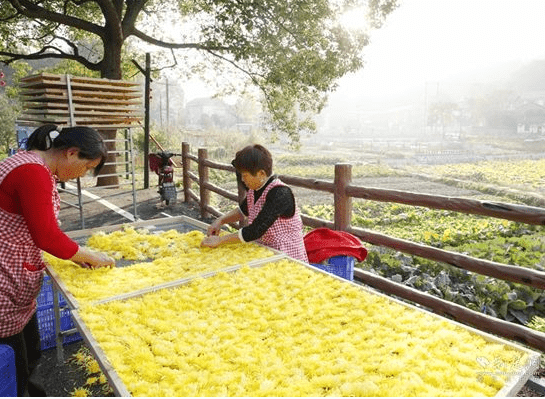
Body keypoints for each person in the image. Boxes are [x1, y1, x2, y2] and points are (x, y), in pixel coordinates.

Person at [0, 124, 115, 396]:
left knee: (27, 355)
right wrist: (89, 255)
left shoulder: (32, 164)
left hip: (15, 272)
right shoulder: (32, 172)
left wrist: (76, 257)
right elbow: (47, 236)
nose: (82, 175)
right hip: (4, 278)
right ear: (72, 153)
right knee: (11, 364)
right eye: (87, 168)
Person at [201, 144, 309, 263]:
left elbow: (255, 230)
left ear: (261, 173)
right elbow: (242, 211)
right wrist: (220, 221)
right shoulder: (255, 189)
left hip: (286, 256)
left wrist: (220, 240)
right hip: (265, 252)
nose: (242, 179)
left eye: (245, 175)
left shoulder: (280, 193)